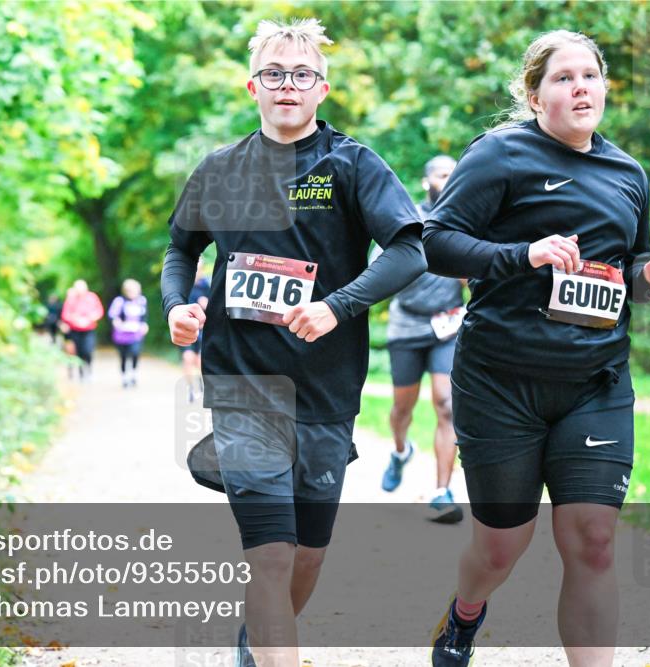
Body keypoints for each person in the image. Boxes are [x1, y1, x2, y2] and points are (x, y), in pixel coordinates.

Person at [161, 18, 427, 667]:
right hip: (242, 385)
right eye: (275, 73)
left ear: (322, 88)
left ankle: (257, 641)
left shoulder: (351, 164)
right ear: (252, 85)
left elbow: (410, 250)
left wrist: (338, 307)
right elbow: (179, 247)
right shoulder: (220, 169)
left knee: (307, 551)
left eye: (301, 74)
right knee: (273, 554)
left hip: (326, 390)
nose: (288, 84)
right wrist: (176, 307)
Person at [422, 31, 650, 667]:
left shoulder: (627, 172)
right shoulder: (500, 155)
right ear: (535, 97)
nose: (581, 87)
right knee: (500, 548)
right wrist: (523, 255)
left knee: (593, 541)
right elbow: (435, 242)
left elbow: (630, 258)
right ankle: (466, 612)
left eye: (590, 75)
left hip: (595, 383)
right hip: (500, 383)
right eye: (563, 78)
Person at [369, 155, 465, 524]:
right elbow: (380, 270)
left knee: (446, 404)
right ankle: (400, 450)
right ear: (428, 182)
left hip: (447, 327)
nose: (449, 180)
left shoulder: (464, 221)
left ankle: (442, 491)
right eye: (443, 174)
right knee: (402, 410)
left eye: (454, 175)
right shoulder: (406, 219)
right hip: (406, 325)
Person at [59, 279, 104, 381]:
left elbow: (98, 311)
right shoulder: (71, 299)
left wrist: (90, 318)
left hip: (89, 329)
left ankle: (89, 369)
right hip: (75, 330)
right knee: (78, 351)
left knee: (87, 350)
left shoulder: (92, 297)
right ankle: (81, 373)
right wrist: (76, 319)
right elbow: (65, 314)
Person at [179, 258, 210, 402]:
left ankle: (201, 385)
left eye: (199, 268)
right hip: (187, 327)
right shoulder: (182, 284)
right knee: (188, 358)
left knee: (199, 360)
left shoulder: (207, 285)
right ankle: (190, 389)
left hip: (203, 328)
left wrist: (208, 304)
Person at [108, 279, 149, 388]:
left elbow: (144, 316)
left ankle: (133, 374)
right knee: (123, 356)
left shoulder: (141, 301)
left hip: (136, 333)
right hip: (121, 335)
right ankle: (124, 377)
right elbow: (113, 315)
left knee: (135, 353)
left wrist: (144, 325)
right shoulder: (119, 301)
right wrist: (117, 323)